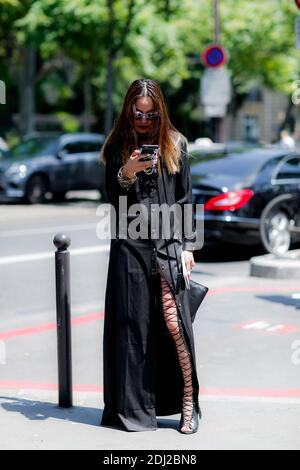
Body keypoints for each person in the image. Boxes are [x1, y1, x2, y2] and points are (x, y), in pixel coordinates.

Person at [100, 78, 201, 434]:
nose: (143, 121)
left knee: (176, 326)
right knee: (133, 328)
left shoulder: (176, 143)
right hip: (130, 245)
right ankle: (134, 410)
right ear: (128, 110)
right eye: (137, 114)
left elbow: (186, 198)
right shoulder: (117, 144)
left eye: (150, 114)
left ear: (161, 111)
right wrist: (126, 173)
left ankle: (189, 404)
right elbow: (113, 202)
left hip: (168, 245)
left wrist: (188, 247)